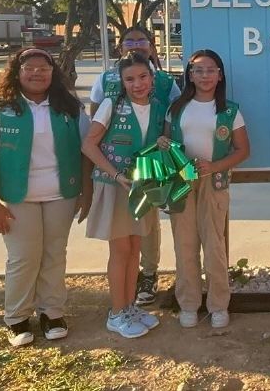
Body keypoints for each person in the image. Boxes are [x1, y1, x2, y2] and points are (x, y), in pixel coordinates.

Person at [0, 48, 92, 347]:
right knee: (24, 258)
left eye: (44, 68)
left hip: (61, 194)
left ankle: (52, 313)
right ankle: (17, 318)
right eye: (30, 68)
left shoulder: (70, 107)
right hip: (16, 198)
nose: (37, 73)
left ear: (54, 73)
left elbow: (87, 151)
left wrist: (86, 193)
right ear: (17, 71)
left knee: (54, 255)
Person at [90, 26, 181, 306]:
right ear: (120, 47)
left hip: (150, 172)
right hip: (117, 174)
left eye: (142, 39)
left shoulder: (166, 83)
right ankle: (121, 307)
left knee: (146, 231)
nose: (136, 44)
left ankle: (147, 276)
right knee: (122, 245)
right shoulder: (106, 84)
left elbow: (173, 121)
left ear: (152, 47)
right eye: (130, 40)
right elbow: (94, 130)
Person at [159, 49, 250, 329]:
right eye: (198, 70)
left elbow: (243, 150)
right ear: (189, 75)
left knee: (214, 245)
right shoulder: (176, 107)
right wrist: (165, 147)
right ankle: (188, 303)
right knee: (184, 243)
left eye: (211, 70)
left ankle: (218, 304)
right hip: (181, 184)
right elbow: (164, 141)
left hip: (214, 182)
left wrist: (215, 166)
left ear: (220, 75)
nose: (205, 75)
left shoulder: (229, 110)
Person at [81, 52, 164, 338]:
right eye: (130, 79)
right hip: (115, 187)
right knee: (120, 251)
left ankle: (129, 306)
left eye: (143, 77)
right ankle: (116, 313)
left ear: (152, 78)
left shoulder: (157, 107)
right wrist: (116, 175)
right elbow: (89, 146)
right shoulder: (110, 105)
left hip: (142, 188)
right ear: (122, 82)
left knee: (135, 251)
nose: (137, 83)